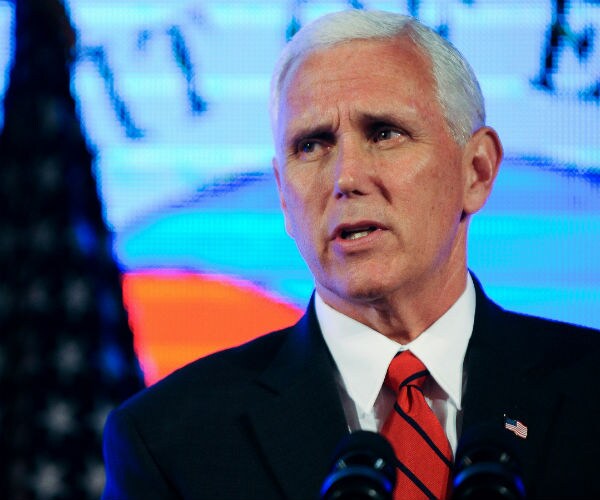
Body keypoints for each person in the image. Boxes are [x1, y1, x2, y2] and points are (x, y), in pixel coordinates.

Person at [102, 9, 600, 499]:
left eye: (384, 133)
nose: (346, 177)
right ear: (284, 197)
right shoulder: (171, 441)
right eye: (311, 146)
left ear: (477, 171)